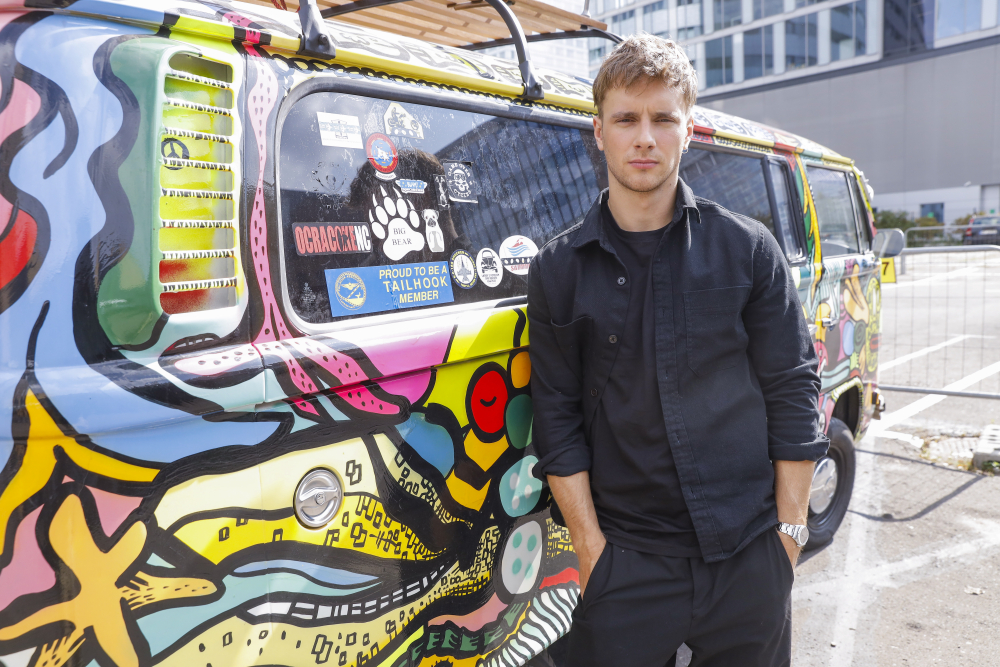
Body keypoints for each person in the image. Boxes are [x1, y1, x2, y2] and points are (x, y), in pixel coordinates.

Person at [527, 34, 829, 667]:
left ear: (688, 130)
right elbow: (555, 415)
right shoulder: (558, 268)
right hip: (625, 563)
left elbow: (793, 388)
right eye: (626, 119)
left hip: (750, 552)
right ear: (598, 132)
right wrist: (591, 551)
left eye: (663, 118)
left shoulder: (748, 250)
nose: (645, 138)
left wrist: (789, 535)